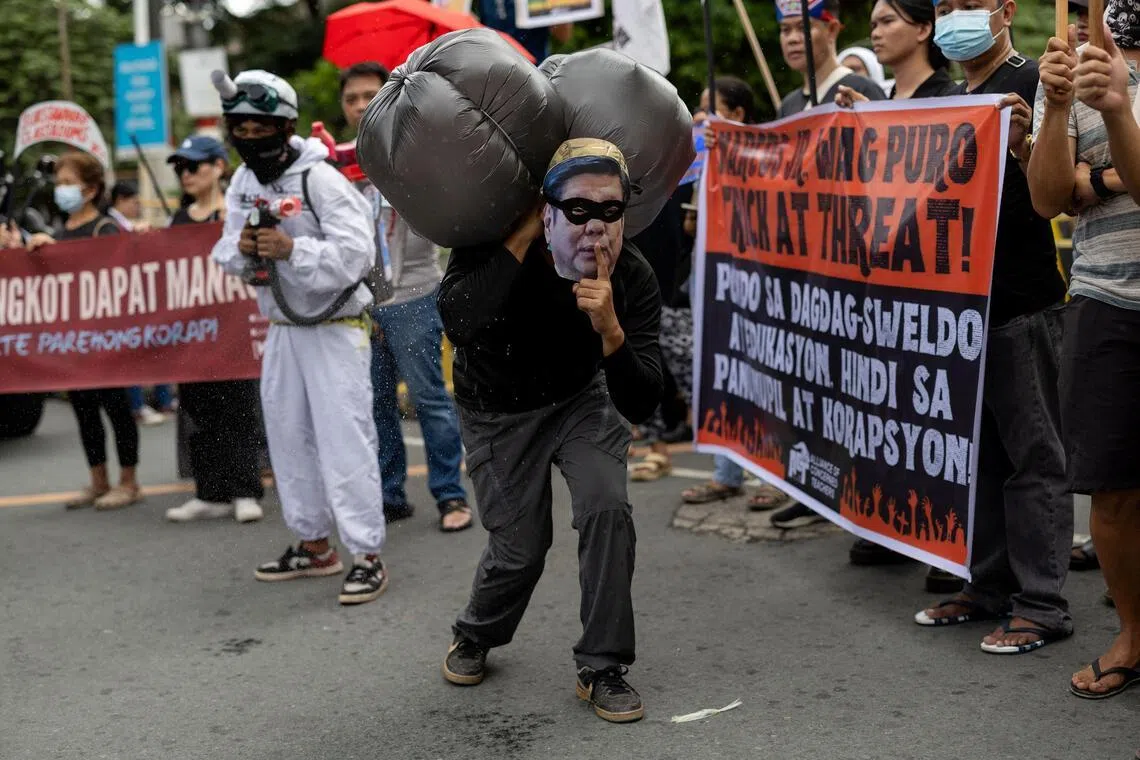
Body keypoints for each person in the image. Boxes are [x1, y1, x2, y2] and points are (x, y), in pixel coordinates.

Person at [438, 138, 662, 724]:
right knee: (521, 549)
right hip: (496, 409)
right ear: (548, 210)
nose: (595, 226)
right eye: (578, 210)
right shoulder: (492, 244)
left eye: (610, 211)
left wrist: (610, 328)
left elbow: (642, 396)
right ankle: (476, 633)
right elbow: (458, 323)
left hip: (581, 400)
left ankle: (603, 665)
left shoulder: (631, 273)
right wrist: (516, 242)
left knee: (607, 507)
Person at [914, 0, 1072, 657]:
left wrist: (1029, 142)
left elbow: (1057, 188)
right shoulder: (947, 97)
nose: (954, 16)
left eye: (967, 4)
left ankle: (1042, 603)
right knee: (974, 454)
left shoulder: (1037, 83)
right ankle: (986, 586)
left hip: (1019, 299)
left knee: (1033, 455)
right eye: (943, 6)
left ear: (1006, 11)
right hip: (957, 310)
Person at [211, 69, 388, 605]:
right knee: (288, 438)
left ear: (283, 125)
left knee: (344, 439)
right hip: (284, 329)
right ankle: (314, 545)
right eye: (238, 126)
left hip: (334, 329)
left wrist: (293, 251)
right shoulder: (244, 182)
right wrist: (245, 248)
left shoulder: (321, 179)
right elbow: (223, 250)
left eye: (259, 126)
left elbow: (358, 255)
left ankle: (367, 554)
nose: (248, 136)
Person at [1031, 5, 1140, 698]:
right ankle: (1134, 632)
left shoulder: (1116, 77)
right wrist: (1059, 107)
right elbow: (1048, 198)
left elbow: (1083, 188)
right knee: (1112, 488)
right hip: (1105, 300)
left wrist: (1118, 119)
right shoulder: (1072, 62)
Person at [834, 0, 962, 582]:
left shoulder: (949, 97)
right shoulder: (885, 104)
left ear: (923, 28)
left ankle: (944, 533)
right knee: (889, 409)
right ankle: (895, 522)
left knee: (936, 416)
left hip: (935, 288)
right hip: (882, 289)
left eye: (888, 20)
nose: (876, 31)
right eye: (873, 23)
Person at [339, 61, 473, 532]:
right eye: (352, 98)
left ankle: (450, 497)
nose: (360, 105)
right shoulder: (337, 163)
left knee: (429, 399)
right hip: (360, 303)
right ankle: (389, 493)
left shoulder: (415, 154)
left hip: (414, 293)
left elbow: (443, 219)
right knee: (375, 403)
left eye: (369, 95)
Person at [25, 152, 142, 511]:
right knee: (85, 410)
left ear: (90, 189)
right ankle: (98, 479)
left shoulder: (104, 229)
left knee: (117, 408)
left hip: (106, 340)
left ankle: (128, 481)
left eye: (67, 183)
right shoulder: (58, 232)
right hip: (74, 341)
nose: (61, 190)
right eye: (58, 183)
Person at [162, 135, 265, 525]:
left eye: (194, 166)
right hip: (193, 336)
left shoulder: (236, 216)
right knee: (198, 412)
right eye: (180, 168)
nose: (186, 175)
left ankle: (245, 488)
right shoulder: (177, 221)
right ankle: (210, 491)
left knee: (238, 409)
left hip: (234, 332)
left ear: (219, 167)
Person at [776, 0, 888, 117]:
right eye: (785, 30)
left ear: (832, 30)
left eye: (803, 27)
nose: (792, 39)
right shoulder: (787, 106)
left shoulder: (861, 91)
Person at [475, 0, 573, 62]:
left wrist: (560, 10)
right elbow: (482, 25)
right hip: (494, 70)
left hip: (534, 72)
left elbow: (564, 36)